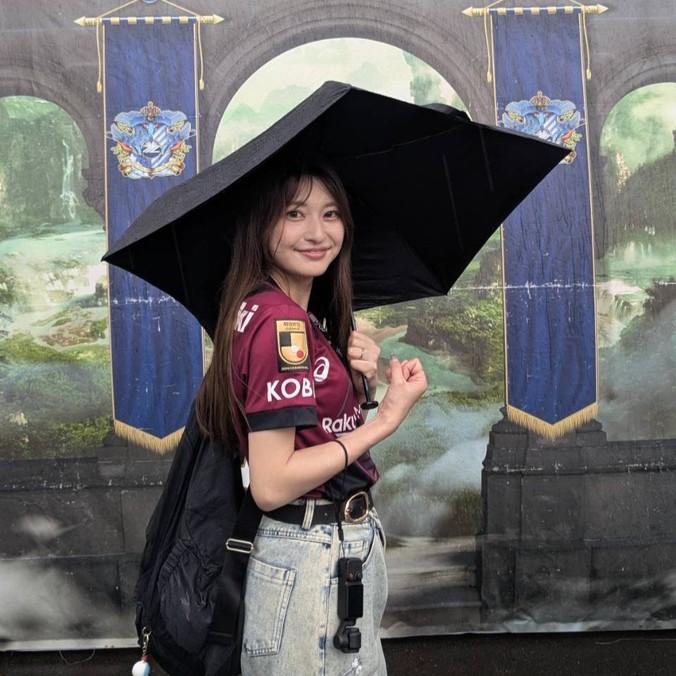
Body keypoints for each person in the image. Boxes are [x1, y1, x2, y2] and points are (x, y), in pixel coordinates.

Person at [194, 159, 427, 675]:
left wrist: (359, 385)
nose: (318, 233)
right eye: (294, 214)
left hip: (319, 551)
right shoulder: (283, 325)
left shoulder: (272, 311)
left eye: (331, 213)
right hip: (312, 555)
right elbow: (272, 483)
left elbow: (308, 434)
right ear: (261, 224)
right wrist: (383, 422)